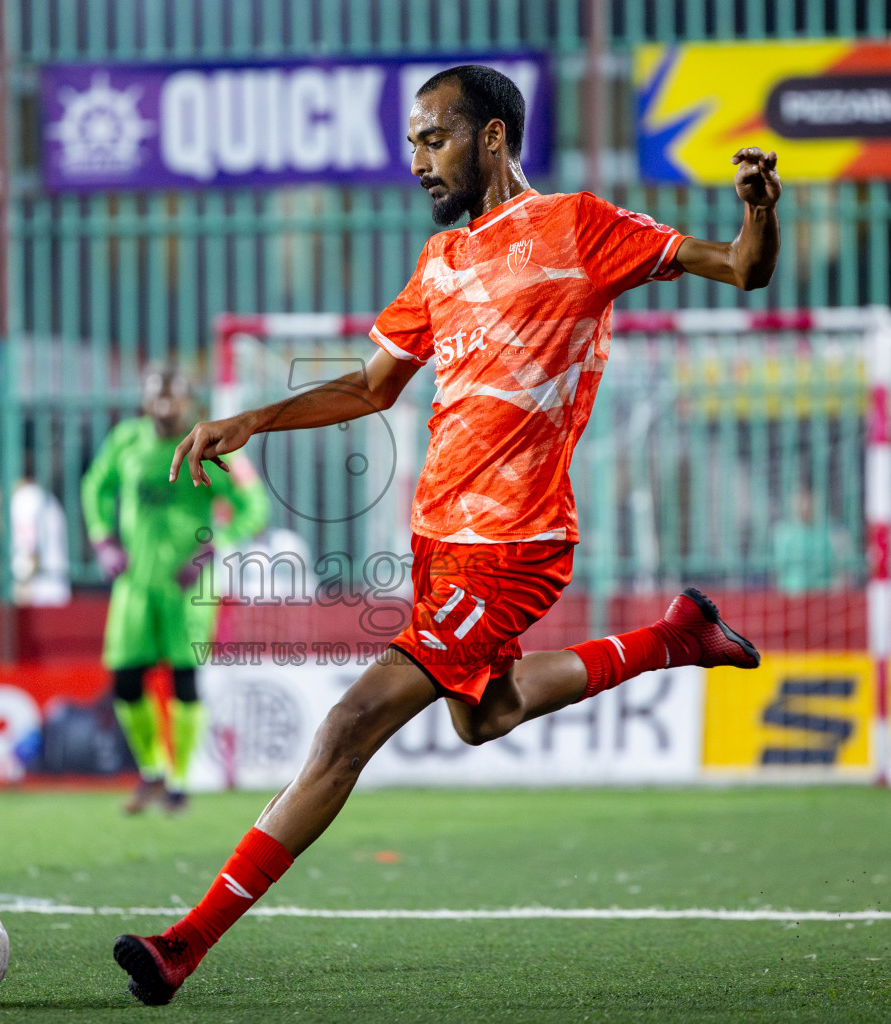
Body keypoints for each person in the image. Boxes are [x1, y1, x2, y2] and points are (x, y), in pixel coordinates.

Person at [111, 65, 781, 1005]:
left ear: (494, 139)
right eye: (413, 143)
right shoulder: (441, 265)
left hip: (514, 547)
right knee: (485, 716)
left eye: (436, 139)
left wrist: (758, 212)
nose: (419, 160)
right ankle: (674, 637)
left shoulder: (579, 227)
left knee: (347, 727)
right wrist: (254, 418)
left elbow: (741, 268)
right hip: (439, 547)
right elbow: (371, 387)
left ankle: (183, 943)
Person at [84, 365, 270, 814]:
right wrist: (102, 538)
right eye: (157, 397)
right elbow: (96, 487)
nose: (165, 407)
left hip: (189, 584)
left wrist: (213, 549)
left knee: (184, 679)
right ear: (145, 402)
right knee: (126, 678)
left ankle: (179, 782)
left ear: (188, 403)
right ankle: (151, 770)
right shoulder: (126, 441)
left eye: (173, 399)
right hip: (135, 583)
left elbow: (254, 506)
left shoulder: (209, 445)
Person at [0, 451, 72, 607]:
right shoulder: (44, 497)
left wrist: (20, 592)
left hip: (38, 597)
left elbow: (31, 555)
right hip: (55, 594)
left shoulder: (25, 499)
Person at [770, 485, 841, 594]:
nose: (804, 506)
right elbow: (778, 571)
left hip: (824, 594)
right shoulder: (783, 533)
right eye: (800, 500)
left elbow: (841, 569)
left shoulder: (832, 531)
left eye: (808, 500)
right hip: (792, 594)